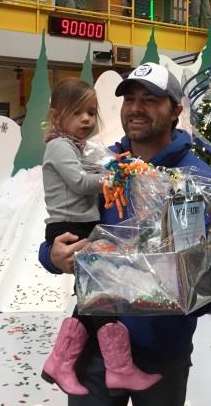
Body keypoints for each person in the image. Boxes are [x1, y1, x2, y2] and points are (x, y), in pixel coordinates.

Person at [39, 62, 211, 406]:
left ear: (176, 111)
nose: (137, 108)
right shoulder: (104, 166)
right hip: (95, 344)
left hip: (160, 354)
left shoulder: (199, 181)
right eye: (130, 99)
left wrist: (171, 289)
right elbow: (63, 225)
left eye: (151, 100)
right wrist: (50, 254)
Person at [41, 78, 162, 397]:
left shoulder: (81, 148)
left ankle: (62, 362)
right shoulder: (61, 146)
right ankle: (113, 368)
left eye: (91, 113)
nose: (87, 120)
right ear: (57, 116)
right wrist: (115, 177)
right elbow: (80, 183)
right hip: (71, 227)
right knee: (98, 298)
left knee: (93, 298)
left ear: (174, 109)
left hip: (161, 342)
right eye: (78, 112)